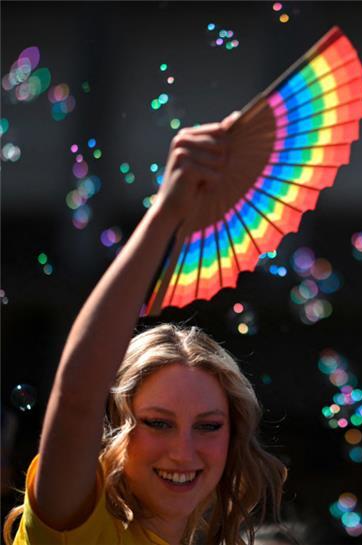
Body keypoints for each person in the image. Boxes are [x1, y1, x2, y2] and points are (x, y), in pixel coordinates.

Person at [3, 112, 288, 545]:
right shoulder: (78, 524)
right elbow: (78, 397)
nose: (183, 450)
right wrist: (167, 212)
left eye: (209, 426)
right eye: (157, 423)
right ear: (114, 427)